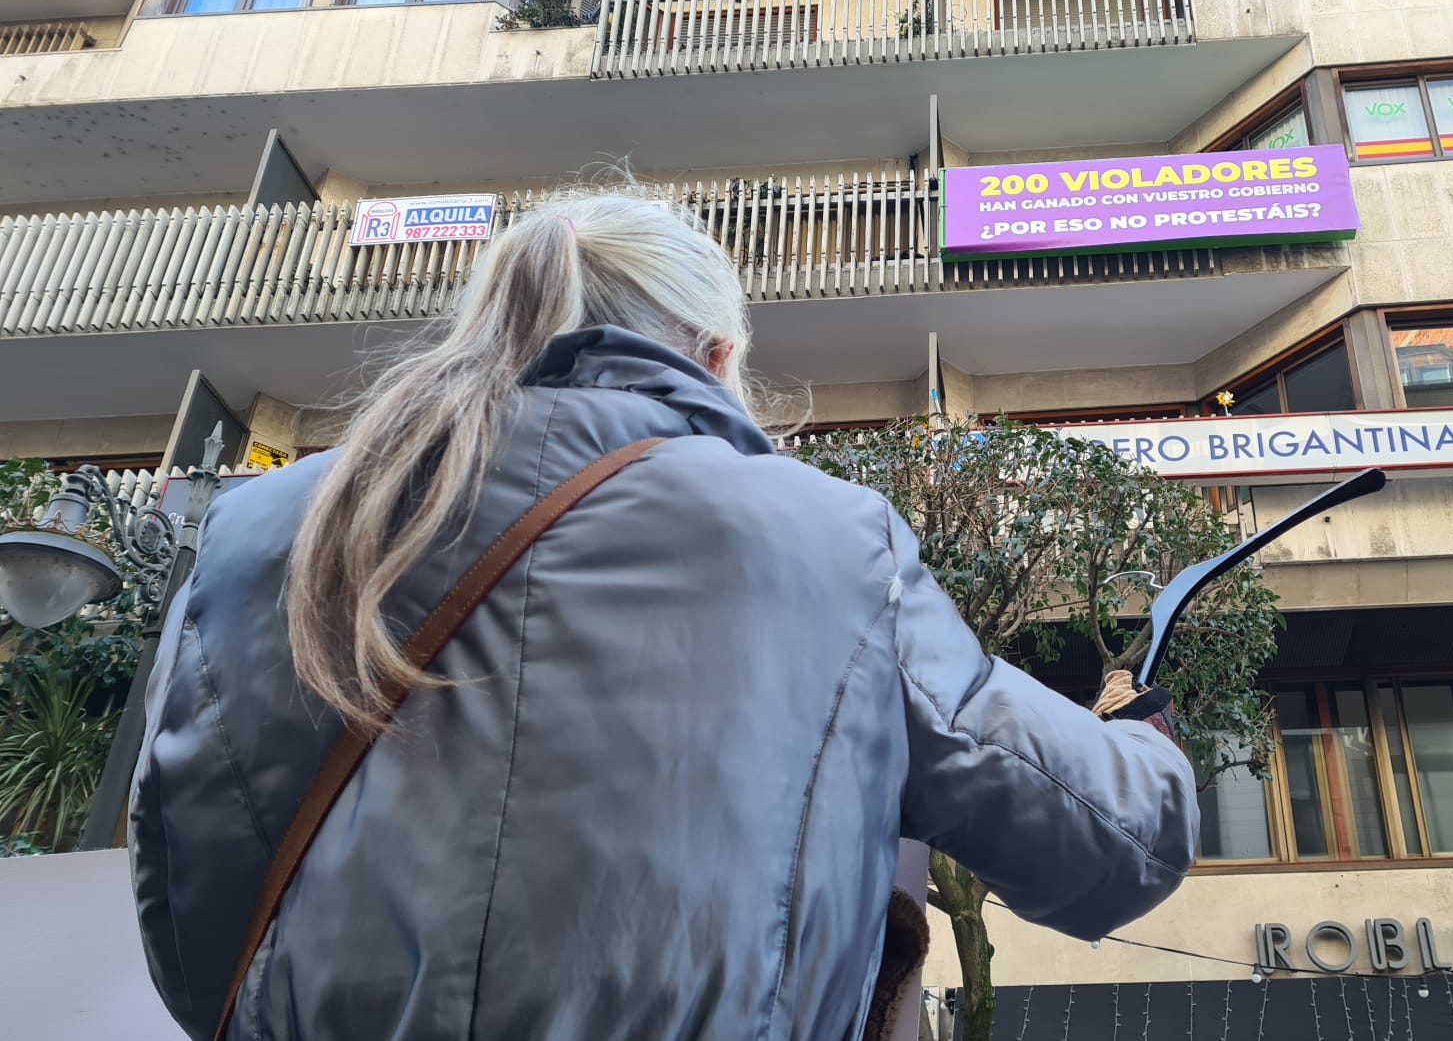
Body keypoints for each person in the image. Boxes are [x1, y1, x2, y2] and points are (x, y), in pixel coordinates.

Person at [128, 189, 1198, 1040]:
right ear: (716, 355)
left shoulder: (269, 525)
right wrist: (1136, 739)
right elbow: (1105, 847)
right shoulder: (822, 534)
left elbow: (191, 911)